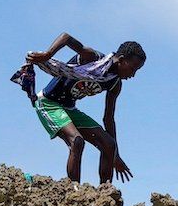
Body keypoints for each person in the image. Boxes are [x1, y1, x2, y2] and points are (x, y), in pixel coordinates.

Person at [13, 32, 145, 184]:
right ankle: (75, 192)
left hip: (69, 108)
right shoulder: (93, 59)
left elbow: (108, 119)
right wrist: (48, 55)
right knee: (76, 141)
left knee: (109, 145)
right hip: (48, 103)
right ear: (121, 60)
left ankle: (105, 192)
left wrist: (115, 155)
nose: (133, 75)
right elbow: (66, 38)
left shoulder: (114, 83)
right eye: (133, 68)